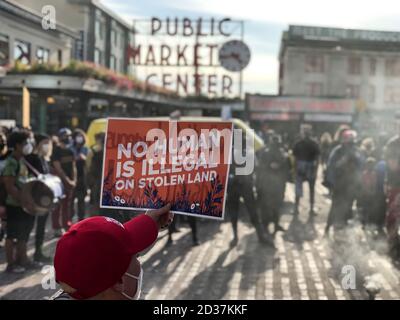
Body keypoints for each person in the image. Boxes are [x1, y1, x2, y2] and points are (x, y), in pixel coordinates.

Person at [51, 204, 174, 300]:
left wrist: (153, 224)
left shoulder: (73, 290)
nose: (138, 256)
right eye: (135, 256)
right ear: (119, 282)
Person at [2, 131, 36, 273]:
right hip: (14, 205)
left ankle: (22, 259)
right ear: (17, 145)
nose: (29, 146)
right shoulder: (11, 162)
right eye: (26, 143)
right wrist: (23, 201)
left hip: (22, 204)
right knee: (12, 235)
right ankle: (11, 264)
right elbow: (9, 186)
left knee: (22, 234)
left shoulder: (22, 160)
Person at [324, 130, 364, 235]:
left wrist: (358, 183)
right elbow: (331, 166)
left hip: (351, 184)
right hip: (339, 183)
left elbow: (361, 166)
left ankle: (343, 226)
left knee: (348, 206)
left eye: (351, 140)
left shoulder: (356, 151)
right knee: (335, 205)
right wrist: (332, 182)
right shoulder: (338, 151)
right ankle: (328, 227)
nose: (349, 142)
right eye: (348, 139)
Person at [24, 134, 53, 263]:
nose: (47, 146)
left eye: (49, 143)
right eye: (45, 143)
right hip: (33, 197)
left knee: (41, 227)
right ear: (38, 144)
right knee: (28, 227)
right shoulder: (31, 158)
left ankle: (38, 252)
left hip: (43, 199)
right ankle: (22, 255)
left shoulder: (44, 158)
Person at [256, 134, 291, 233]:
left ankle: (275, 224)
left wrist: (279, 166)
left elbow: (287, 167)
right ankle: (266, 224)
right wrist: (270, 166)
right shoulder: (266, 152)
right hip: (268, 183)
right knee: (266, 205)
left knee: (277, 204)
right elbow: (260, 167)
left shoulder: (281, 152)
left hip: (278, 183)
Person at [51, 128, 77, 237]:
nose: (68, 138)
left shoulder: (70, 150)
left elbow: (73, 167)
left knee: (67, 205)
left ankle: (67, 225)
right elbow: (58, 168)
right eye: (66, 136)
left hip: (69, 183)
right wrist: (67, 181)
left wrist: (74, 180)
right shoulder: (56, 151)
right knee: (57, 206)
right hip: (58, 183)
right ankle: (57, 227)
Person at [292, 125, 320, 216]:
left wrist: (295, 169)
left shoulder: (298, 143)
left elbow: (294, 158)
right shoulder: (314, 143)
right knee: (310, 189)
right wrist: (316, 170)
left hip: (301, 166)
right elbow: (318, 158)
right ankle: (310, 209)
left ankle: (296, 209)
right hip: (310, 166)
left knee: (299, 189)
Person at [383, 127, 400, 261]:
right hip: (396, 185)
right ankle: (393, 245)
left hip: (395, 184)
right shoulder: (393, 144)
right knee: (393, 215)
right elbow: (392, 165)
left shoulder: (392, 143)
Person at [71, 129, 89, 221]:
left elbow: (89, 162)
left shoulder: (86, 149)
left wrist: (84, 158)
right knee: (71, 200)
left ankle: (81, 220)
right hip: (72, 177)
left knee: (81, 201)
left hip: (82, 178)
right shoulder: (70, 148)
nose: (79, 138)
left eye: (81, 136)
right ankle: (70, 219)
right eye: (77, 136)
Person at [0, 130, 10, 243]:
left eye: (3, 141)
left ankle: (3, 232)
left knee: (5, 216)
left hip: (5, 192)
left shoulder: (9, 156)